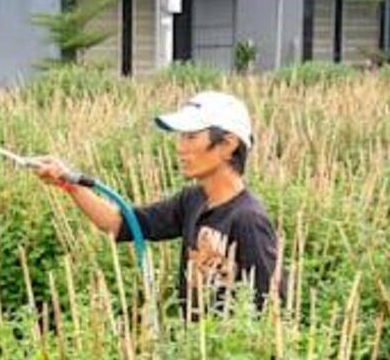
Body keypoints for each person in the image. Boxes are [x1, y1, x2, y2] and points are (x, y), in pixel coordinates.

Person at [35, 91, 285, 318]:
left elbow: (274, 309)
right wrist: (69, 183)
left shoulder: (248, 219)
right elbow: (119, 224)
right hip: (195, 355)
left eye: (191, 137)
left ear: (227, 145)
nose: (180, 148)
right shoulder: (192, 201)